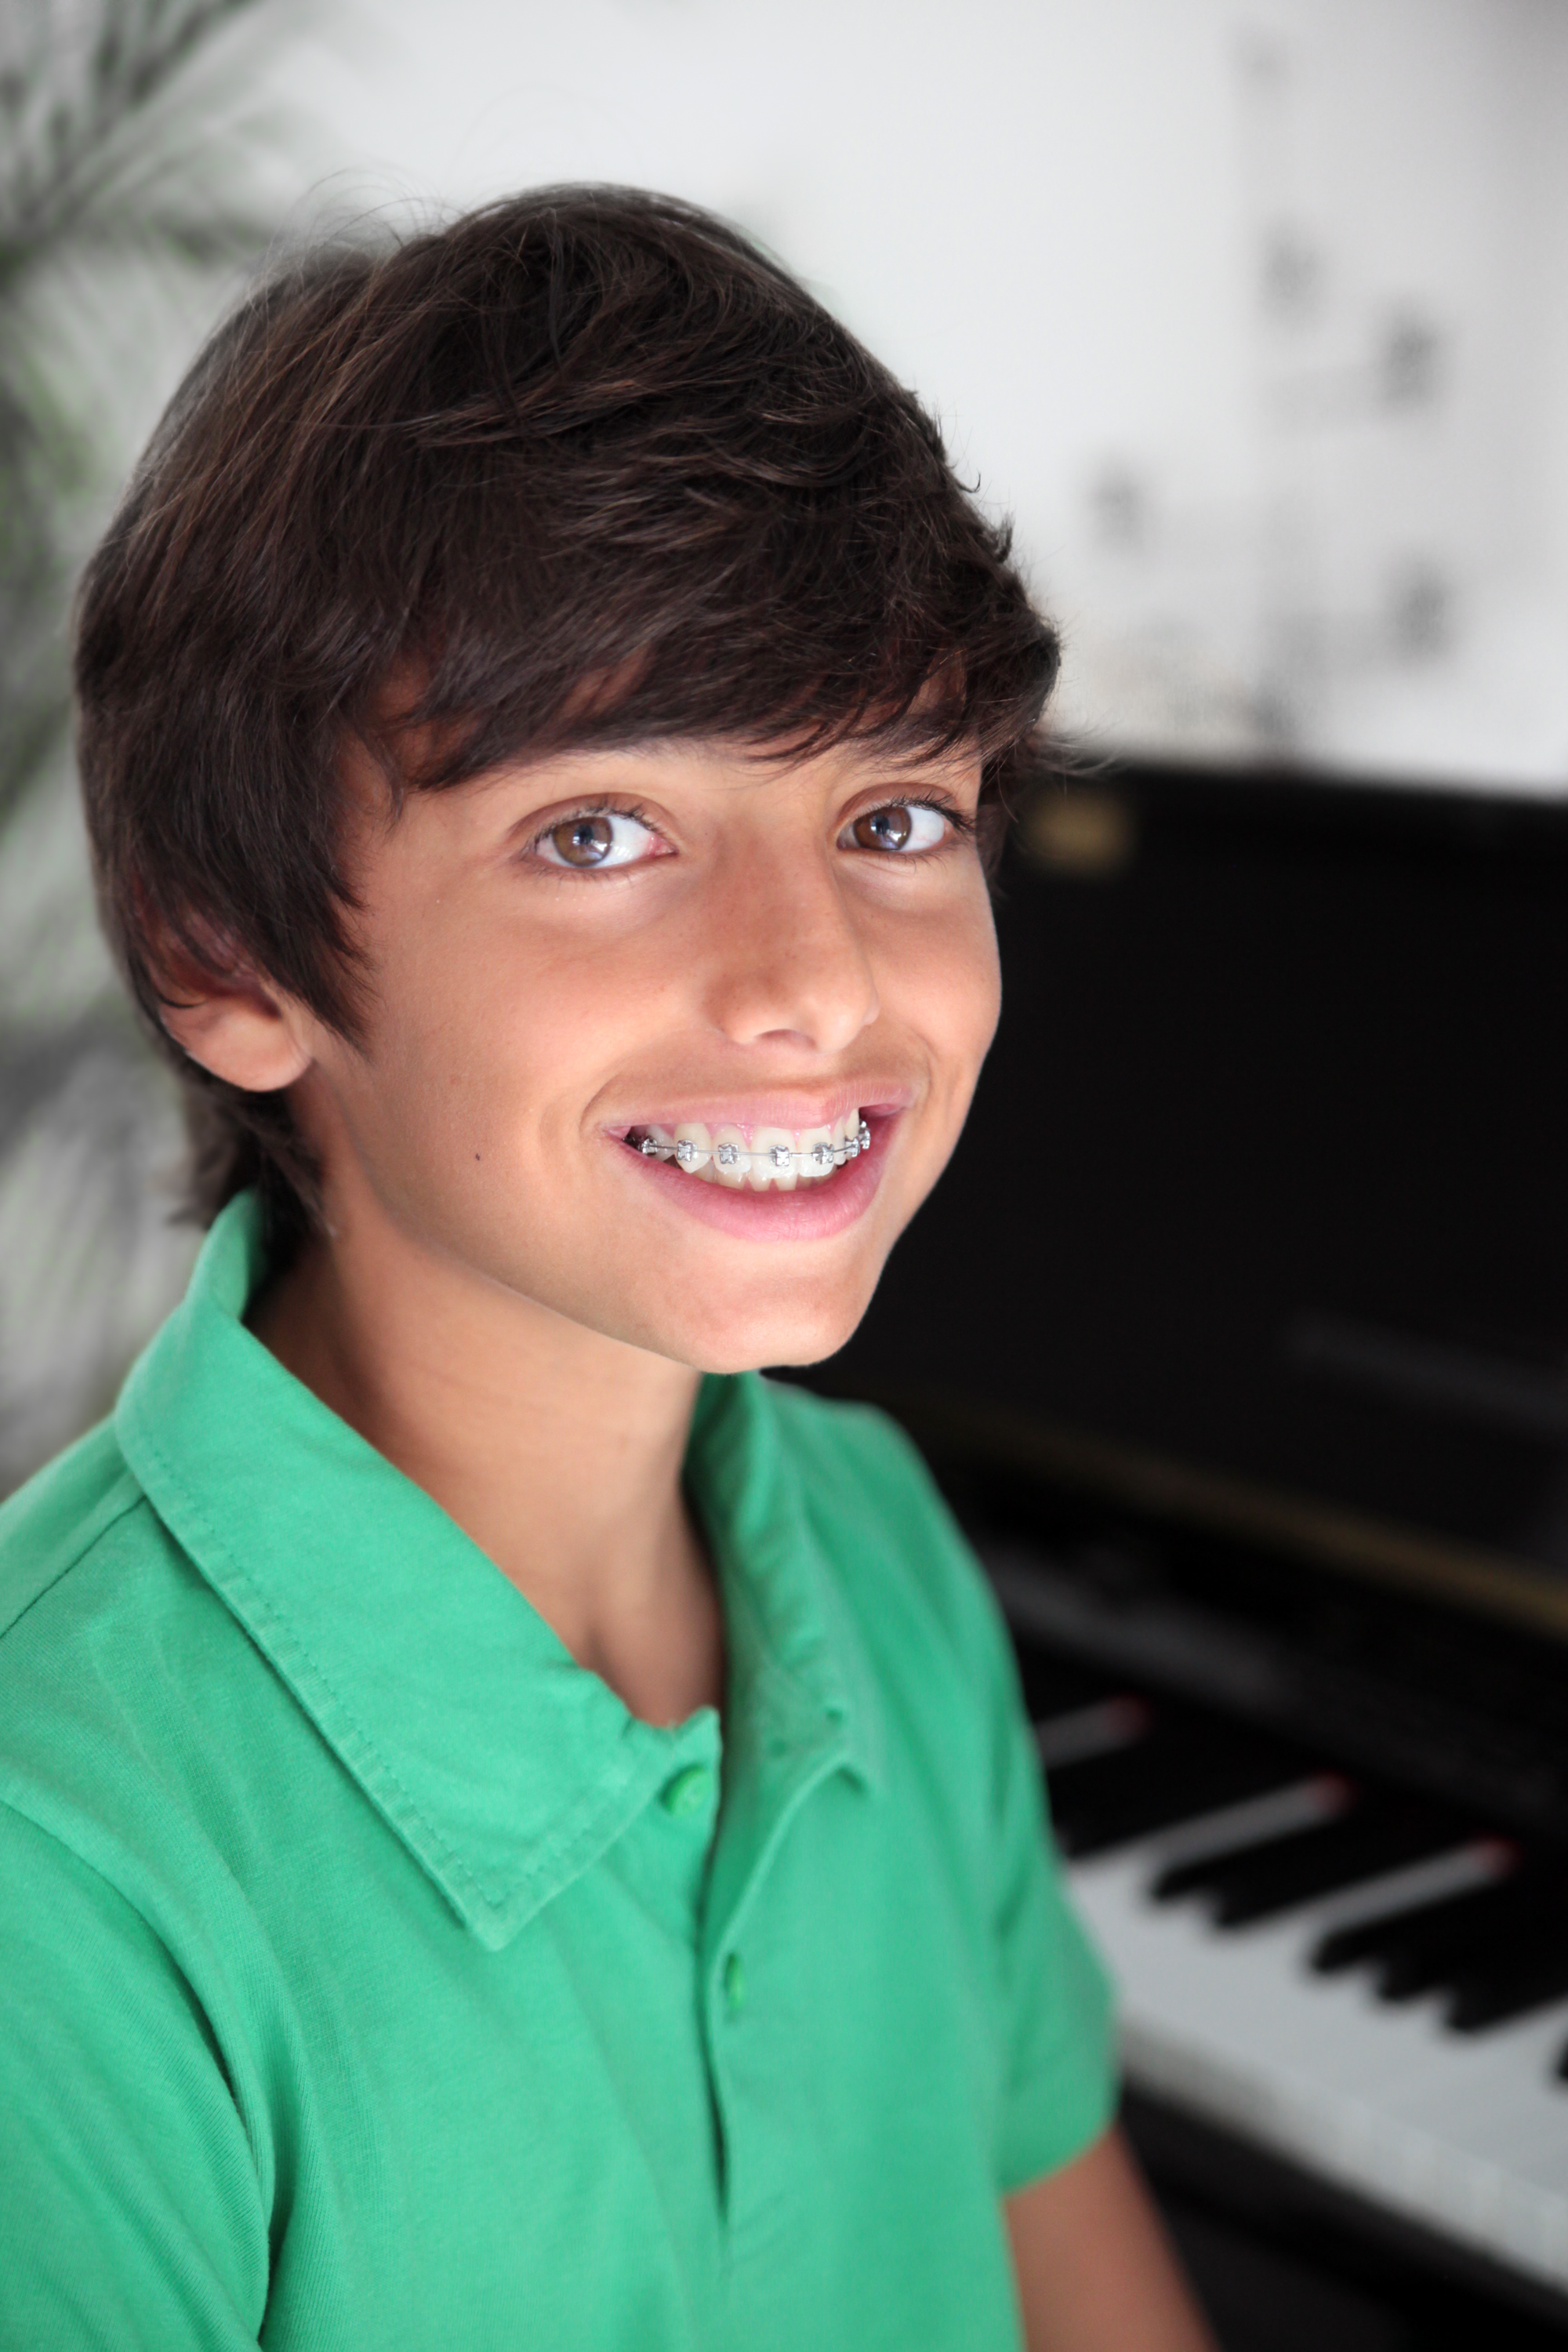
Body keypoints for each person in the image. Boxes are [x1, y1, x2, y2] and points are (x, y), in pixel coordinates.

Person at [0, 187, 1214, 2350]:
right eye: (599, 835)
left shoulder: (877, 1554)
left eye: (899, 815)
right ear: (221, 950)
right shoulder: (53, 1855)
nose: (815, 984)